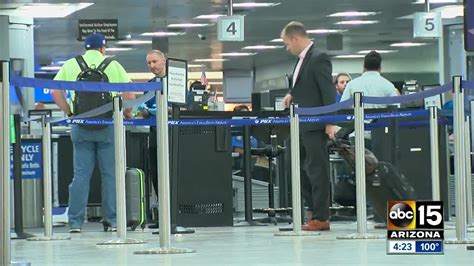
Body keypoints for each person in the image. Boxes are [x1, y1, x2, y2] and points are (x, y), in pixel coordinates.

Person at [51, 33, 134, 233]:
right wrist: (128, 113)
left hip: (80, 126)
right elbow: (130, 93)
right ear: (103, 49)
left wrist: (70, 112)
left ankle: (75, 223)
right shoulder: (113, 65)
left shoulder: (72, 64)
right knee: (110, 175)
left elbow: (55, 91)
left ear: (85, 48)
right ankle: (113, 221)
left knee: (80, 175)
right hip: (108, 125)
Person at [281, 21, 337, 231]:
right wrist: (291, 94)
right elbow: (304, 87)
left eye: (287, 43)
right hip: (300, 125)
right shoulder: (302, 61)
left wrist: (330, 121)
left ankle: (322, 217)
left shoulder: (319, 57)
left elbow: (327, 92)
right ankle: (312, 212)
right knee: (299, 168)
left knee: (316, 171)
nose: (287, 48)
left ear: (296, 38)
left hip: (314, 125)